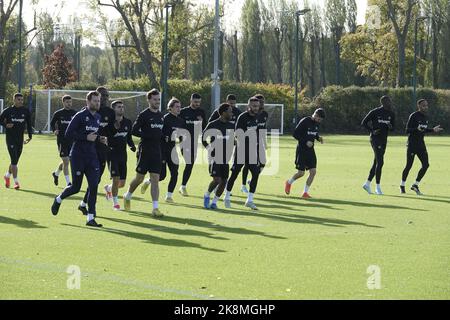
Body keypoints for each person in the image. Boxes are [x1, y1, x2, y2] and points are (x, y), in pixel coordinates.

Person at [51, 91, 106, 228]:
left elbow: (93, 134)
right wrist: (85, 137)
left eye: (98, 101)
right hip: (78, 156)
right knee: (76, 187)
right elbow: (68, 133)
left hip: (92, 156)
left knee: (93, 186)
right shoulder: (80, 116)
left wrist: (100, 138)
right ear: (87, 102)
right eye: (94, 101)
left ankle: (90, 218)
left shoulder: (98, 117)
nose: (97, 103)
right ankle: (58, 199)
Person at [123, 89, 164, 217]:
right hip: (145, 151)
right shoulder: (144, 115)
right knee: (139, 178)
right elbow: (134, 131)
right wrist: (147, 135)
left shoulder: (161, 116)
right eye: (155, 99)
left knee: (155, 180)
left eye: (158, 100)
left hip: (157, 151)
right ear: (149, 100)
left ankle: (155, 208)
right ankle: (127, 195)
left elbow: (161, 132)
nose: (157, 102)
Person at [78, 86, 115, 215]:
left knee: (97, 179)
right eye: (102, 95)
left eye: (106, 96)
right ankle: (90, 210)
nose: (104, 98)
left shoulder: (110, 112)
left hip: (103, 150)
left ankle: (83, 204)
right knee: (92, 180)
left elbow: (112, 131)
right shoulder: (87, 112)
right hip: (89, 150)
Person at [141, 97, 185, 202]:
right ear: (170, 108)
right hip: (161, 149)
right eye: (177, 107)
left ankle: (168, 196)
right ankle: (148, 181)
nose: (179, 109)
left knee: (175, 173)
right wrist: (164, 137)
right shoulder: (164, 118)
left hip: (173, 150)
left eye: (180, 107)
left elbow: (181, 136)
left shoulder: (180, 121)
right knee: (162, 176)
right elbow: (158, 132)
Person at [223, 97, 261, 210]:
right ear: (248, 106)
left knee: (255, 173)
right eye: (254, 106)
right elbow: (237, 134)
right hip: (241, 150)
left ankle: (249, 200)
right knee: (234, 174)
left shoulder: (257, 117)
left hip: (252, 151)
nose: (256, 108)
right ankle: (226, 197)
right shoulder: (242, 117)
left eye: (257, 106)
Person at [400, 99, 443, 195]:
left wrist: (432, 130)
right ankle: (402, 185)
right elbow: (407, 130)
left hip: (421, 145)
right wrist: (416, 129)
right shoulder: (413, 116)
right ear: (419, 106)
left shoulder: (425, 117)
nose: (426, 107)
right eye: (423, 105)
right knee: (409, 166)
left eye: (426, 105)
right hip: (411, 145)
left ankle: (415, 185)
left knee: (426, 165)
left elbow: (424, 129)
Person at [284, 108, 325, 198]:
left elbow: (314, 133)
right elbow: (295, 134)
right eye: (318, 119)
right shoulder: (305, 121)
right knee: (301, 173)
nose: (319, 121)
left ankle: (305, 192)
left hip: (310, 151)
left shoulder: (316, 124)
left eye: (320, 120)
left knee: (313, 172)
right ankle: (289, 182)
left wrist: (318, 138)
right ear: (315, 115)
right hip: (301, 150)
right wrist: (305, 142)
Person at [104, 100, 136, 210]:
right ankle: (115, 203)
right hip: (111, 153)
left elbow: (128, 137)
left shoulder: (127, 122)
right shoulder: (109, 123)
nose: (121, 108)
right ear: (113, 109)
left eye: (122, 107)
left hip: (123, 155)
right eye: (118, 107)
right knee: (116, 178)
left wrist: (131, 146)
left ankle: (108, 188)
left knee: (121, 183)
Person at [202, 103, 235, 210]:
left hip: (226, 157)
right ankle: (207, 195)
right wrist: (209, 148)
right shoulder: (213, 124)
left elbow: (232, 140)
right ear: (223, 113)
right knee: (217, 180)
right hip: (214, 156)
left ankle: (214, 202)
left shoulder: (231, 125)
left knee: (224, 181)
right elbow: (203, 138)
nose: (231, 113)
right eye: (229, 111)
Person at [361, 95, 396, 195]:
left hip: (384, 140)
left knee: (376, 162)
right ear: (383, 102)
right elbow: (363, 123)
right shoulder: (375, 112)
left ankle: (367, 184)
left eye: (390, 101)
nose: (390, 103)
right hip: (375, 139)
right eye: (388, 101)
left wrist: (390, 126)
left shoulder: (391, 114)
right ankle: (378, 187)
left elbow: (393, 129)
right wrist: (372, 131)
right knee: (380, 162)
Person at [0, 93, 33, 189]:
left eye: (22, 100)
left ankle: (7, 175)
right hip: (10, 139)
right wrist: (5, 125)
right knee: (14, 161)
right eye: (19, 99)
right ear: (14, 100)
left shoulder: (25, 111)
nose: (21, 101)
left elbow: (29, 123)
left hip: (20, 139)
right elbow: (0, 120)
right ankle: (16, 182)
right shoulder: (8, 111)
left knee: (15, 161)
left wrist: (30, 136)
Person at [178, 93, 207, 196]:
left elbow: (204, 128)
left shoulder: (201, 112)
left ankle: (183, 186)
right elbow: (177, 125)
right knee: (189, 163)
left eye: (199, 102)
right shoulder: (183, 112)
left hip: (195, 142)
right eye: (195, 102)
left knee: (190, 165)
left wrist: (201, 122)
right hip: (184, 142)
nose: (197, 104)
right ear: (191, 101)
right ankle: (183, 186)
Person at [241, 93, 268, 193]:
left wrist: (264, 141)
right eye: (260, 102)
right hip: (248, 142)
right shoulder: (250, 114)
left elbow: (263, 128)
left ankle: (251, 180)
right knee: (247, 164)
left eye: (263, 102)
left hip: (259, 140)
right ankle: (243, 185)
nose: (262, 104)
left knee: (263, 162)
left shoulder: (265, 114)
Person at [50, 95, 76, 187]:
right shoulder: (58, 113)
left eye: (70, 102)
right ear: (63, 103)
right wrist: (54, 130)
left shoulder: (75, 113)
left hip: (72, 141)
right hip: (62, 140)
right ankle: (68, 183)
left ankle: (56, 173)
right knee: (66, 161)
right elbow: (52, 123)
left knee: (67, 161)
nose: (69, 104)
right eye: (67, 102)